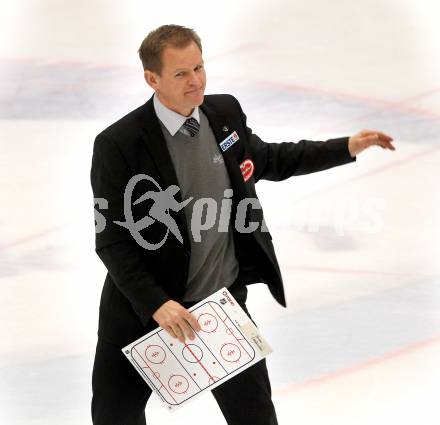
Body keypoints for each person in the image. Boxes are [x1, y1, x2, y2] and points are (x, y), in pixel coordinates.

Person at [90, 24, 395, 425]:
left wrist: (345, 147)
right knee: (115, 417)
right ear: (152, 78)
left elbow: (270, 159)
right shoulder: (119, 143)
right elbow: (112, 242)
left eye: (198, 67)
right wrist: (157, 304)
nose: (195, 80)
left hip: (221, 309)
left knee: (256, 419)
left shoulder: (223, 113)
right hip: (142, 313)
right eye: (181, 73)